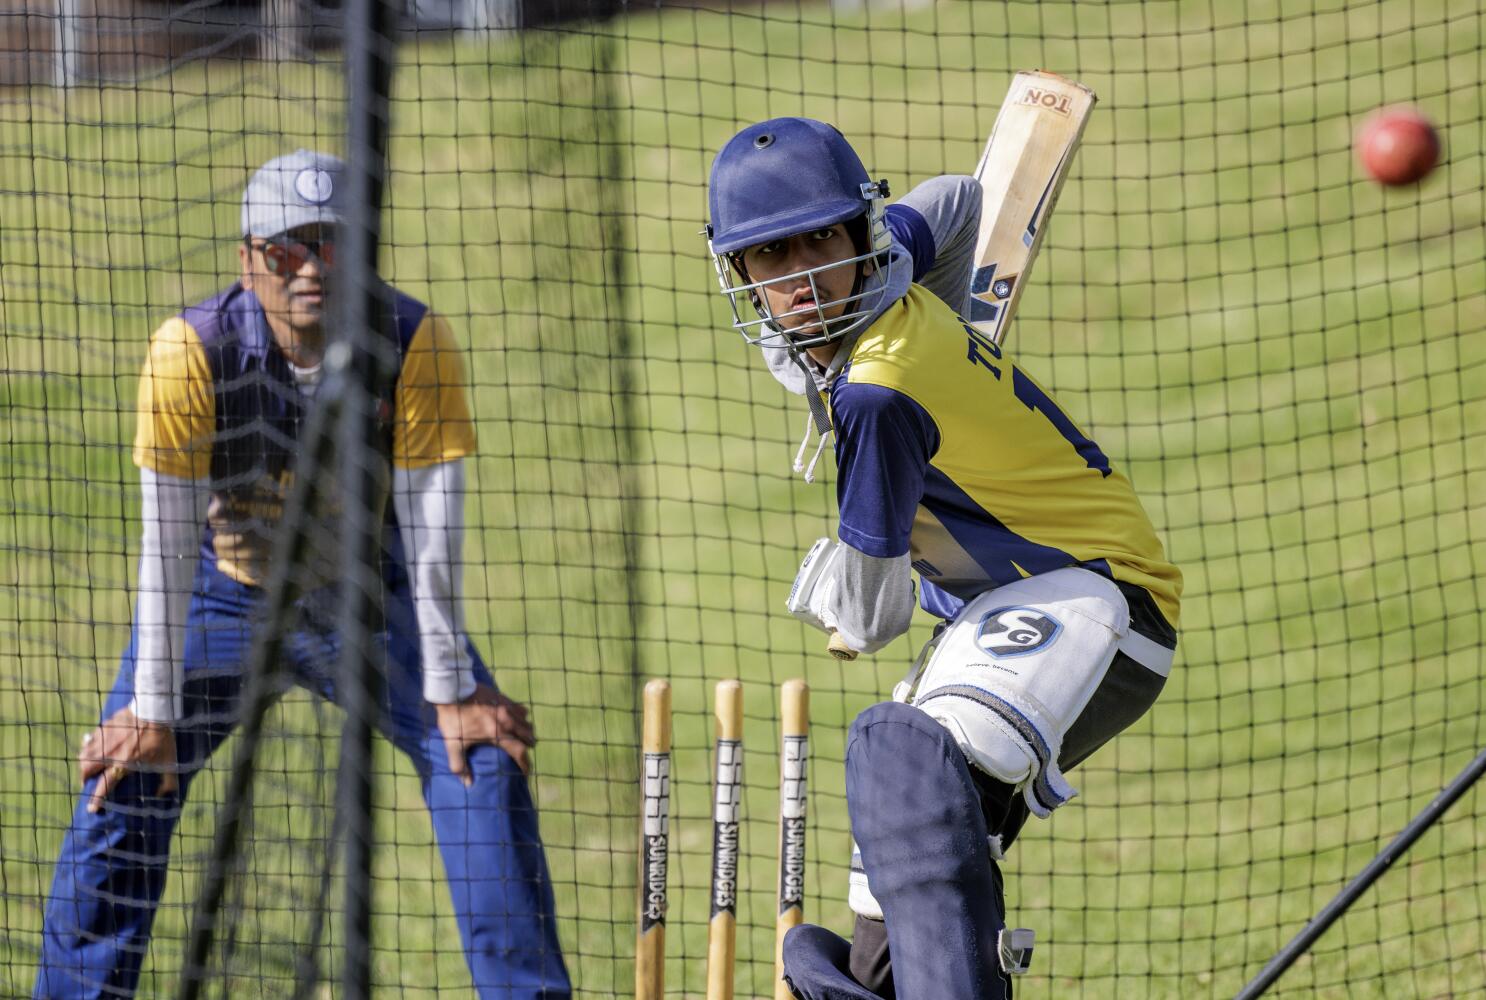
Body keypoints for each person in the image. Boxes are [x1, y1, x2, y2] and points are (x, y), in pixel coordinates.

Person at [35, 150, 571, 999]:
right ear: (248, 259)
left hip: (370, 596)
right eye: (288, 249)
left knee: (484, 763)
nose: (312, 268)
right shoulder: (190, 353)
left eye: (333, 243)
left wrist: (455, 688)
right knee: (123, 781)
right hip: (221, 593)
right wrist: (153, 708)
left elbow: (433, 531)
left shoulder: (412, 340)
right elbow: (168, 545)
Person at [704, 118, 1183, 999]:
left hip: (1097, 594)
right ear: (740, 272)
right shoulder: (885, 277)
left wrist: (835, 588)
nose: (803, 274)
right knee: (888, 896)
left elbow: (875, 620)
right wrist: (954, 321)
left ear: (858, 234)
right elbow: (960, 202)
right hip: (991, 611)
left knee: (919, 784)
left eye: (820, 239)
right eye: (772, 256)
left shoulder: (878, 396)